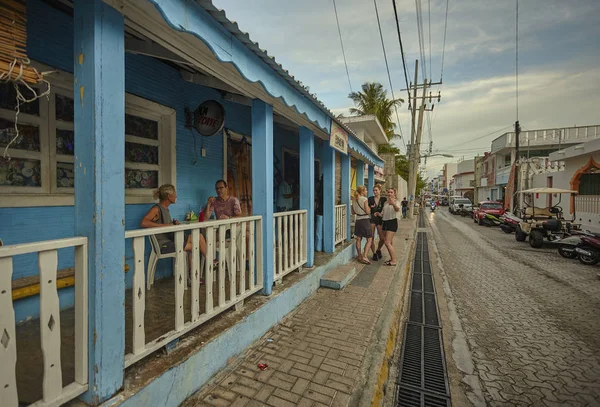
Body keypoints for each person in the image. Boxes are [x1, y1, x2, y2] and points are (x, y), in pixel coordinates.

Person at [141, 184, 208, 278]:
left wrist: (172, 223)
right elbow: (144, 222)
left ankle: (210, 263)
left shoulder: (165, 209)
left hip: (172, 239)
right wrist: (166, 225)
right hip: (164, 244)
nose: (176, 196)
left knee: (199, 236)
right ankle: (194, 275)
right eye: (175, 194)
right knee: (194, 247)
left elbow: (165, 224)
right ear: (169, 196)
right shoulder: (156, 209)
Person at [351, 185, 373, 265]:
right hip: (365, 220)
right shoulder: (364, 199)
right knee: (369, 239)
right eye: (366, 190)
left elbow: (353, 212)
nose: (366, 192)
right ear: (362, 191)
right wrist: (371, 208)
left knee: (358, 239)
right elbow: (368, 212)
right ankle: (365, 256)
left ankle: (359, 255)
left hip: (358, 220)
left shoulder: (354, 200)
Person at [382, 188, 401, 266]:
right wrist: (378, 214)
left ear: (394, 194)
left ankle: (394, 260)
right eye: (388, 192)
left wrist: (393, 203)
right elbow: (383, 213)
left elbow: (397, 210)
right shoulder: (385, 203)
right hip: (385, 222)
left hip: (392, 222)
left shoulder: (396, 202)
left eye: (391, 192)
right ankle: (391, 258)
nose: (389, 193)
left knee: (387, 242)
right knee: (389, 242)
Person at [368, 184, 386, 261]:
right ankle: (374, 253)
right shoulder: (370, 199)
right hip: (372, 218)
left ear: (380, 191)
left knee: (382, 238)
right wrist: (370, 210)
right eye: (374, 190)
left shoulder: (383, 199)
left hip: (380, 219)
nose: (375, 192)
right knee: (371, 238)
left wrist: (380, 214)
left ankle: (378, 249)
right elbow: (367, 209)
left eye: (376, 190)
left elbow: (386, 209)